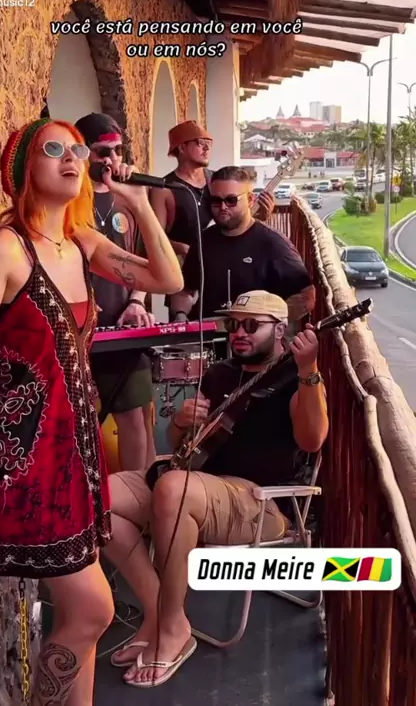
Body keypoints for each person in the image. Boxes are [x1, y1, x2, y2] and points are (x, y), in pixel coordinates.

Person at [0, 118, 183, 706]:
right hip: (22, 456)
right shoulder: (5, 249)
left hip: (73, 454)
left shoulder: (81, 243)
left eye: (78, 149)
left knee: (82, 616)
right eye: (55, 149)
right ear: (23, 168)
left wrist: (136, 202)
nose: (73, 158)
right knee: (94, 609)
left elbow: (167, 277)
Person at [102, 290, 328, 686]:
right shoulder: (221, 374)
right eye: (233, 324)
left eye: (251, 325)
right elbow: (185, 446)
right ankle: (159, 614)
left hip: (262, 502)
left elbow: (313, 440)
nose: (239, 332)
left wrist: (309, 369)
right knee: (97, 499)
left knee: (173, 489)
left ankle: (174, 628)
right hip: (198, 482)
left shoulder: (294, 377)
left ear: (280, 331)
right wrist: (181, 423)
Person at [75, 112, 156, 471]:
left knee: (139, 416)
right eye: (102, 151)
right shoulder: (72, 198)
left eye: (118, 151)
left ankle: (142, 494)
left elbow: (144, 261)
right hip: (82, 327)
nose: (112, 159)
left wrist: (137, 302)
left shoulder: (129, 199)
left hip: (124, 325)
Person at [149, 121, 275, 318]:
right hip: (186, 282)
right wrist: (184, 249)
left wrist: (260, 216)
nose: (207, 148)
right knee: (186, 332)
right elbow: (155, 237)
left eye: (209, 143)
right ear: (181, 147)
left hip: (226, 274)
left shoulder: (218, 182)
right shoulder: (164, 189)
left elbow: (236, 221)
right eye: (200, 143)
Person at [169, 166, 315, 324]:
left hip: (252, 337)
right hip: (207, 333)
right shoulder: (203, 240)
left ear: (250, 200)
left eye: (231, 200)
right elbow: (185, 290)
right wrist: (180, 315)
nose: (223, 207)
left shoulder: (273, 243)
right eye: (216, 201)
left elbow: (307, 297)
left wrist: (266, 321)